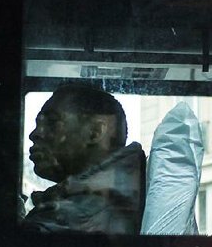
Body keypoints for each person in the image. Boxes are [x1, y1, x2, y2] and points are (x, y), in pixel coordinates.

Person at [23, 84, 145, 234]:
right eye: (38, 124)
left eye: (52, 122)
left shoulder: (71, 218)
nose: (35, 134)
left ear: (95, 132)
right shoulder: (109, 197)